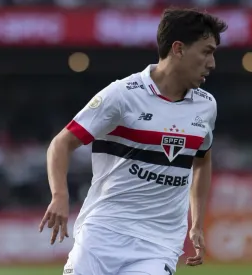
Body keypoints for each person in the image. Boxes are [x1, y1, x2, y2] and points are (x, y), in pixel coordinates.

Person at [39, 7, 227, 275]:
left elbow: (202, 160)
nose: (212, 63)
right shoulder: (123, 95)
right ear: (179, 48)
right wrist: (59, 196)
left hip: (158, 243)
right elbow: (61, 143)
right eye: (206, 51)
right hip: (103, 232)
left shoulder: (206, 106)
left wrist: (196, 223)